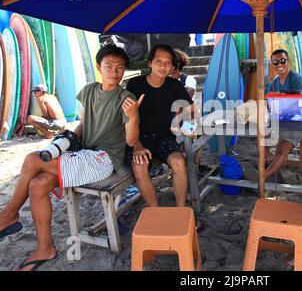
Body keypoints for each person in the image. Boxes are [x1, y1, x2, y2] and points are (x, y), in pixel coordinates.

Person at [0, 44, 142, 271]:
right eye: (108, 66)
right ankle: (45, 248)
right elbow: (84, 124)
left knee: (31, 160)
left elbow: (132, 142)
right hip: (82, 153)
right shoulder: (89, 91)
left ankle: (8, 215)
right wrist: (66, 140)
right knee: (37, 185)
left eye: (120, 68)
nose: (114, 72)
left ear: (124, 70)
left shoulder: (126, 97)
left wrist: (133, 117)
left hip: (104, 160)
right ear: (98, 67)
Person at [125, 44, 194, 208]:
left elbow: (189, 110)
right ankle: (156, 212)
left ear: (172, 66)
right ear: (149, 63)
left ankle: (180, 210)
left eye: (168, 62)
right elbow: (126, 118)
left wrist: (187, 126)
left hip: (163, 137)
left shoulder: (175, 86)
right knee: (139, 166)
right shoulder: (134, 85)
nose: (163, 66)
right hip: (138, 138)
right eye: (158, 61)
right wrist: (137, 146)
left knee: (179, 162)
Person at [264, 48, 302, 180]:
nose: (280, 65)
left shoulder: (297, 79)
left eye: (283, 60)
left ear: (289, 62)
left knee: (282, 150)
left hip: (296, 123)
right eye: (276, 62)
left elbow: (300, 104)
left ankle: (262, 178)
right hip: (279, 122)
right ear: (272, 65)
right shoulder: (274, 83)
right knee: (260, 138)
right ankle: (272, 164)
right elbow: (268, 103)